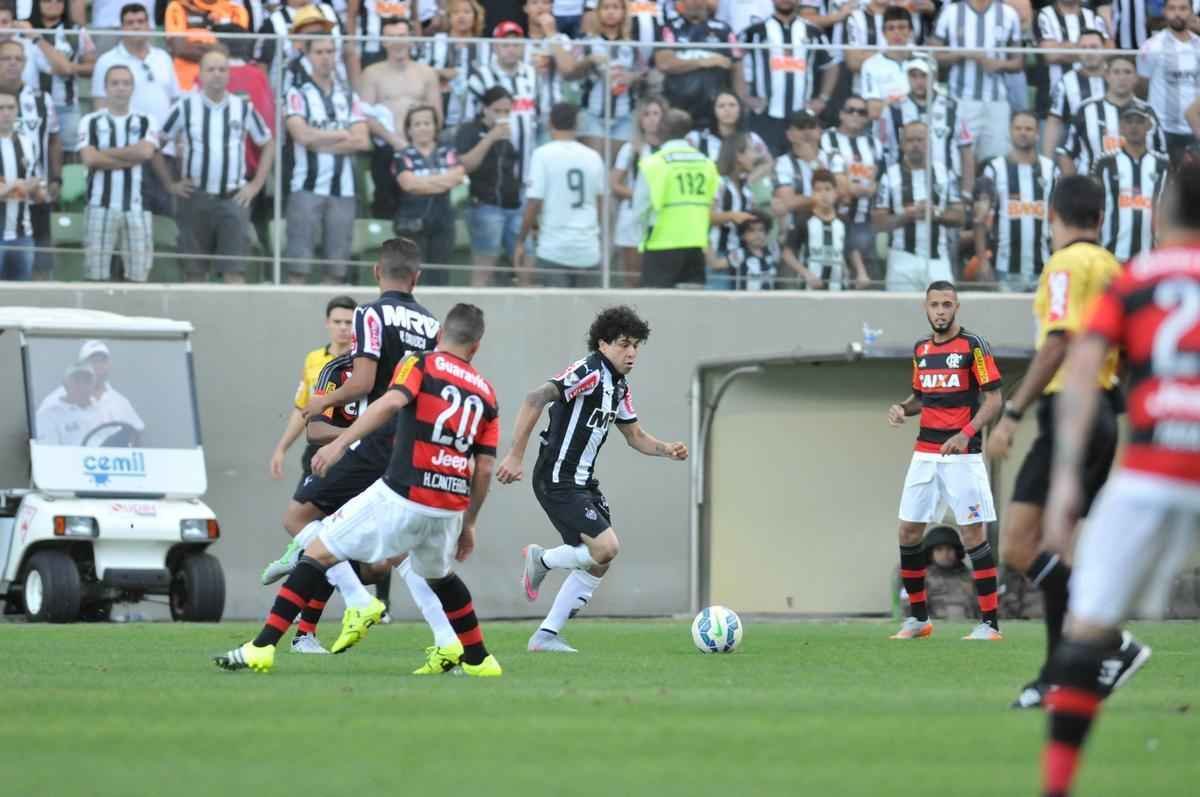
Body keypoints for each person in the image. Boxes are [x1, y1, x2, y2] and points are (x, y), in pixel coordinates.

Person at [217, 304, 504, 679]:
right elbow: (483, 467)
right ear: (477, 346)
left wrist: (339, 444)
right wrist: (470, 523)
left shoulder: (420, 363)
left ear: (439, 336)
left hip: (403, 492)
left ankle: (261, 648)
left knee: (316, 552)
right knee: (441, 577)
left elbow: (389, 402)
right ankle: (480, 659)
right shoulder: (487, 393)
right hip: (449, 505)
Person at [1036, 162, 1200, 797]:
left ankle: (1057, 785)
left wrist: (1065, 481)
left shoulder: (1135, 279)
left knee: (1087, 630)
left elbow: (1081, 369)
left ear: (1162, 215)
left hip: (1153, 466)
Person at [984, 173, 1149, 710]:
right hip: (1103, 414)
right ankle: (1059, 677)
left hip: (1069, 411)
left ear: (1051, 216)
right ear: (1102, 218)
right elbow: (1127, 354)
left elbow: (1058, 342)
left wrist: (1012, 411)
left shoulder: (1064, 265)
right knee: (1058, 549)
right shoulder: (1114, 269)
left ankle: (1108, 643)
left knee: (1016, 546)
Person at [263, 240, 460, 668]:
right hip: (414, 442)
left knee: (300, 519)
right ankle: (448, 638)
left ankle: (354, 603)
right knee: (393, 555)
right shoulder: (431, 325)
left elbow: (366, 380)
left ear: (376, 272)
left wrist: (321, 410)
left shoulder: (371, 314)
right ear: (417, 277)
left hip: (375, 439)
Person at [497, 306, 689, 652]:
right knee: (607, 546)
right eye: (623, 344)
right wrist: (515, 454)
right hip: (557, 477)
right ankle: (542, 560)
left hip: (583, 482)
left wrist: (667, 450)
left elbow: (635, 436)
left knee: (601, 560)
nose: (631, 353)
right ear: (603, 343)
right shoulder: (589, 370)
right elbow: (535, 398)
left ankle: (546, 636)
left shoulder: (619, 387)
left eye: (636, 346)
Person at [886, 281, 1003, 641]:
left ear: (956, 308)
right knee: (908, 530)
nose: (941, 310)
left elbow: (995, 400)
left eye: (947, 304)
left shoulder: (973, 346)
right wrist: (902, 408)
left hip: (963, 455)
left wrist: (966, 433)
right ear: (926, 308)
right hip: (925, 452)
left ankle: (989, 624)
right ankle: (919, 620)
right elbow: (921, 396)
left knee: (972, 534)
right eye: (935, 304)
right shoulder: (921, 349)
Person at [159, 48, 273, 284]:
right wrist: (170, 184)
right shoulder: (184, 107)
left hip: (234, 200)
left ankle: (233, 321)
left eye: (222, 69)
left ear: (229, 75)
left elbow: (268, 143)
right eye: (211, 69)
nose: (217, 74)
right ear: (200, 74)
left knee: (235, 272)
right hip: (195, 199)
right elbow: (155, 144)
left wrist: (256, 184)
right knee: (194, 272)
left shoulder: (243, 108)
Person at [283, 32, 370, 285]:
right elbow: (301, 135)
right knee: (298, 267)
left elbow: (362, 140)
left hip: (344, 191)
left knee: (337, 269)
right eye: (319, 52)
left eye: (330, 52)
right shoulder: (297, 93)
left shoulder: (348, 95)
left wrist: (319, 142)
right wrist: (342, 134)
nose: (325, 58)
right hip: (306, 187)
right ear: (308, 56)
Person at [92, 4, 179, 217]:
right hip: (125, 153)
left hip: (163, 150)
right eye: (130, 23)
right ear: (121, 27)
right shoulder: (107, 60)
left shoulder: (163, 58)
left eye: (141, 22)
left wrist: (175, 140)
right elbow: (99, 105)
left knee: (165, 216)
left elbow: (176, 101)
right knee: (127, 216)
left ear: (149, 26)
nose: (136, 27)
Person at [77, 63, 158, 282]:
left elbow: (146, 152)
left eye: (126, 83)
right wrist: (130, 157)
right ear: (105, 88)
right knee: (96, 275)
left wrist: (104, 154)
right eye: (115, 83)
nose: (120, 88)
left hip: (138, 208)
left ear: (133, 88)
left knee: (139, 275)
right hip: (99, 207)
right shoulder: (90, 121)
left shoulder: (146, 120)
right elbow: (89, 158)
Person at [359, 16, 442, 222]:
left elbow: (437, 114)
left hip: (421, 150)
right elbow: (364, 115)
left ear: (412, 38)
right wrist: (395, 141)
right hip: (387, 149)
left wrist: (419, 143)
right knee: (386, 209)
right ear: (383, 41)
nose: (398, 42)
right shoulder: (371, 74)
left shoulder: (427, 73)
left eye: (403, 36)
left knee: (422, 210)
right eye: (392, 37)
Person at [516, 102, 606, 288]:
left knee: (556, 314)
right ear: (577, 124)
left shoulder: (542, 154)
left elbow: (534, 202)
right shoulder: (593, 156)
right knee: (591, 315)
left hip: (554, 249)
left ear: (550, 123)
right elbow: (601, 203)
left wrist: (521, 240)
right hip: (587, 248)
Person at [269, 294, 356, 484]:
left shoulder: (364, 363)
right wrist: (282, 448)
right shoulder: (313, 359)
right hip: (317, 448)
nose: (343, 327)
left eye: (349, 322)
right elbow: (302, 408)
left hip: (351, 448)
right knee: (302, 507)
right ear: (327, 323)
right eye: (337, 321)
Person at [927, 0, 1023, 163]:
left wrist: (999, 64)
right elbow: (933, 55)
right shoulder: (951, 12)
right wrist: (962, 54)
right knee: (960, 160)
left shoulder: (1009, 14)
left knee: (995, 161)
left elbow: (1019, 62)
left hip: (996, 101)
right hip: (960, 100)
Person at [873, 121, 964, 292]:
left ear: (929, 142)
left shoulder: (945, 174)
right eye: (910, 140)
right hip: (902, 258)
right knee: (900, 315)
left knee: (942, 316)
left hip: (938, 259)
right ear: (902, 144)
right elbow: (878, 222)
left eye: (920, 140)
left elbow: (960, 217)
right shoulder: (890, 176)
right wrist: (907, 215)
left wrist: (935, 213)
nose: (916, 145)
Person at [740, 0, 838, 157]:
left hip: (802, 118)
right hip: (765, 116)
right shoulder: (754, 31)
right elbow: (736, 60)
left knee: (803, 164)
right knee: (765, 164)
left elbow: (832, 65)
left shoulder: (813, 31)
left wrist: (822, 99)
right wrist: (744, 96)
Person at [634, 108, 720, 288]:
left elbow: (640, 208)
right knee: (690, 309)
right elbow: (713, 203)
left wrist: (642, 237)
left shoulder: (653, 164)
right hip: (695, 245)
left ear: (661, 129)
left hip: (661, 243)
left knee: (655, 309)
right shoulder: (707, 164)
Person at [974, 111, 1058, 290]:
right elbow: (980, 220)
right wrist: (982, 261)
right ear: (1010, 132)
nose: (1023, 132)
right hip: (1005, 268)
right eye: (1018, 128)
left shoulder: (1051, 170)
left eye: (1028, 128)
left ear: (1037, 134)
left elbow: (1060, 219)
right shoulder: (994, 169)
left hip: (1043, 267)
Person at [0, 38, 59, 278]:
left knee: (37, 272)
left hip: (33, 202)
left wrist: (56, 179)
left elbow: (55, 139)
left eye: (18, 58)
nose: (13, 63)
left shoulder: (41, 99)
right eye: (6, 58)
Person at [455, 85, 524, 287]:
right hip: (484, 204)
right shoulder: (470, 130)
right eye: (498, 111)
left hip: (512, 205)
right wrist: (491, 138)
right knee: (485, 262)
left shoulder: (511, 135)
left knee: (525, 255)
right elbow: (466, 164)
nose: (503, 116)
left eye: (507, 112)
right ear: (485, 109)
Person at [1057, 54, 1167, 177]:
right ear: (1107, 76)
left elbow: (1161, 155)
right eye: (1116, 72)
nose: (1122, 78)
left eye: (1127, 72)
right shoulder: (1086, 109)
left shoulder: (1148, 112)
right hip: (1094, 188)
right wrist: (1075, 188)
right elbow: (1066, 153)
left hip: (1137, 191)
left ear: (1136, 78)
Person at [879, 58, 975, 198]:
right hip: (903, 182)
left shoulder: (953, 107)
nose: (919, 81)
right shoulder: (893, 108)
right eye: (914, 76)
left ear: (934, 76)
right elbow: (883, 148)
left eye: (924, 76)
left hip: (945, 181)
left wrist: (966, 191)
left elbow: (966, 150)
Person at [391, 104, 464, 286]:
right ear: (409, 129)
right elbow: (408, 184)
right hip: (411, 222)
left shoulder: (448, 152)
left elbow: (457, 176)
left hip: (443, 220)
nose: (423, 127)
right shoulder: (402, 155)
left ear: (435, 126)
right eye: (417, 124)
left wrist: (422, 183)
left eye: (427, 123)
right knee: (413, 276)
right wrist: (441, 180)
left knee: (440, 275)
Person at [466, 21, 540, 190]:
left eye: (516, 44)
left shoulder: (532, 74)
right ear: (495, 47)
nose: (511, 49)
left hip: (527, 166)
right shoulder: (480, 77)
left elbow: (539, 115)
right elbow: (470, 120)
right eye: (505, 44)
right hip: (492, 168)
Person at [1094, 107, 1170, 263]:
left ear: (1148, 126)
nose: (1134, 127)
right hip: (1111, 256)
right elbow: (1095, 209)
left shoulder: (1163, 166)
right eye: (1129, 122)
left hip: (1151, 257)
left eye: (1139, 122)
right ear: (1121, 127)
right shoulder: (1104, 164)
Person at [655, 0, 745, 132]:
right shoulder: (669, 28)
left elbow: (737, 68)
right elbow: (664, 63)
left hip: (717, 112)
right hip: (679, 109)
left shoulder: (724, 30)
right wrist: (705, 61)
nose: (694, 2)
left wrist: (740, 104)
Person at [820, 93, 882, 282]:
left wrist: (864, 188)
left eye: (861, 112)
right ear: (841, 114)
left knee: (867, 274)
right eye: (851, 110)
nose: (856, 115)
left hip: (865, 217)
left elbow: (878, 178)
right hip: (834, 214)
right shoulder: (827, 138)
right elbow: (830, 177)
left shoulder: (874, 143)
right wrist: (857, 189)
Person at [571, 0, 641, 156]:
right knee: (594, 163)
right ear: (598, 12)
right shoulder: (586, 41)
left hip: (624, 114)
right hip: (592, 113)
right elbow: (570, 73)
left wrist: (632, 77)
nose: (610, 12)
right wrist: (588, 61)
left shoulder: (632, 44)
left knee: (618, 166)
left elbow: (644, 72)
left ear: (623, 12)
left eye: (615, 7)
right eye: (606, 7)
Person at [29, 0, 97, 159]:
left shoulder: (76, 31)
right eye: (47, 0)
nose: (53, 4)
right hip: (31, 106)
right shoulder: (24, 30)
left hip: (66, 107)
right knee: (32, 154)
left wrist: (71, 68)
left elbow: (93, 66)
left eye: (59, 0)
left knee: (70, 157)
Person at [610, 95, 665, 288]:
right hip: (633, 215)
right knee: (633, 278)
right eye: (646, 114)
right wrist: (640, 196)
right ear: (640, 120)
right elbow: (614, 183)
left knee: (657, 278)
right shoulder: (631, 148)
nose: (651, 118)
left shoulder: (671, 148)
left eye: (656, 113)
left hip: (662, 217)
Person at [783, 167, 868, 290]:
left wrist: (861, 272)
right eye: (818, 190)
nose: (824, 194)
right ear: (812, 194)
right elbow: (787, 253)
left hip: (838, 288)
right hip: (809, 289)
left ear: (835, 193)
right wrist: (805, 273)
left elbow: (852, 249)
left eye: (828, 189)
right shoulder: (803, 220)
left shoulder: (843, 221)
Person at [1138, 0, 1200, 164]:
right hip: (1163, 130)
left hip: (1196, 130)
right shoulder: (1151, 47)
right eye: (1172, 8)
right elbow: (1142, 86)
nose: (1177, 13)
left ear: (1192, 12)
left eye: (1183, 8)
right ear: (1164, 12)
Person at [770, 109, 846, 233]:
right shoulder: (781, 163)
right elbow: (788, 202)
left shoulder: (833, 158)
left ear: (820, 131)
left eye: (811, 127)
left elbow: (843, 192)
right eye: (800, 127)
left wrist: (813, 162)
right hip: (797, 230)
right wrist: (827, 197)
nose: (807, 132)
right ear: (789, 134)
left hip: (832, 228)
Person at [423, 0, 490, 139]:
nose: (461, 16)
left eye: (466, 12)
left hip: (476, 119)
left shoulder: (485, 46)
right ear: (449, 17)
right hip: (442, 117)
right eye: (456, 12)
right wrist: (438, 73)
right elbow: (418, 70)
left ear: (475, 17)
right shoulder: (437, 42)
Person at [1035, 0, 1109, 120]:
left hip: (1094, 97)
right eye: (1084, 47)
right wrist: (1091, 51)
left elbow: (1109, 48)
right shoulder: (1044, 14)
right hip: (1052, 97)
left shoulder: (1092, 14)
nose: (1087, 50)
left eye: (1092, 47)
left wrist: (1062, 47)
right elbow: (1050, 55)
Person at [1041, 28, 1107, 162]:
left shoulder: (1118, 77)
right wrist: (1046, 162)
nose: (1089, 52)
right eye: (1083, 48)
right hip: (1077, 158)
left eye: (1094, 47)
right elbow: (1054, 122)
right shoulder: (1065, 82)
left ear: (1105, 49)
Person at [255, 2, 346, 92]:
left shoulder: (330, 67)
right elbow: (262, 64)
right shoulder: (293, 70)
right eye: (311, 32)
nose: (318, 35)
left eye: (321, 31)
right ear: (297, 41)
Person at [0, 87, 42, 281]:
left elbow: (34, 182)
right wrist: (16, 185)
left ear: (18, 110)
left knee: (21, 297)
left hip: (22, 234)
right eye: (0, 108)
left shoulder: (27, 143)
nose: (6, 113)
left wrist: (34, 187)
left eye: (10, 107)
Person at [708, 131, 758, 290]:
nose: (755, 156)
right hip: (718, 254)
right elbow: (706, 217)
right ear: (739, 155)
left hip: (739, 256)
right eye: (752, 150)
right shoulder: (718, 183)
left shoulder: (747, 189)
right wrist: (732, 216)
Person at [162, 0, 250, 89]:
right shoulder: (179, 6)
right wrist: (217, 49)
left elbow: (237, 52)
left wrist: (199, 46)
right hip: (188, 84)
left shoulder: (236, 11)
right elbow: (179, 48)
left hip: (225, 86)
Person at [687, 90, 770, 170]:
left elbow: (769, 164)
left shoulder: (752, 138)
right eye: (721, 106)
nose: (727, 110)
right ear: (713, 110)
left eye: (732, 105)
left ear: (740, 109)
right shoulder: (697, 138)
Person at [860, 7, 916, 125]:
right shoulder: (870, 65)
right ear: (883, 33)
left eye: (902, 27)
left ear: (911, 31)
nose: (896, 32)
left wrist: (893, 99)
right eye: (891, 28)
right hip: (887, 126)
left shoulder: (925, 60)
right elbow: (873, 110)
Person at [35, 362, 106, 445]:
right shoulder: (48, 416)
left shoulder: (103, 410)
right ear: (65, 385)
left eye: (87, 380)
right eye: (77, 380)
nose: (82, 385)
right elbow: (48, 452)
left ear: (93, 384)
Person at [345, 0, 420, 77]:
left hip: (403, 49)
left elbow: (415, 18)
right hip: (372, 49)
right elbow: (351, 16)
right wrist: (351, 48)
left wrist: (418, 48)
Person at [727, 209, 778, 290]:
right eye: (752, 230)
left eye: (761, 230)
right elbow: (715, 264)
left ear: (767, 233)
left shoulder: (772, 253)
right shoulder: (739, 254)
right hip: (745, 300)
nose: (757, 235)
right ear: (743, 235)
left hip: (769, 300)